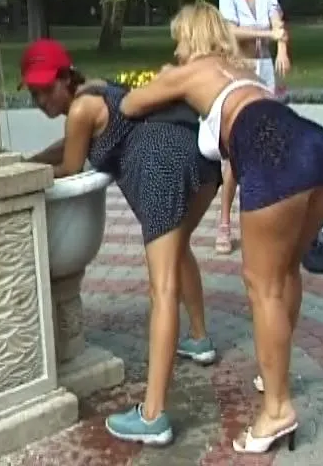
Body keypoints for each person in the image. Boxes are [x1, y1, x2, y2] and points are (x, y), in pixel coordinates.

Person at [119, 2, 323, 454]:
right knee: (285, 271)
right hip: (320, 148)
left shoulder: (189, 72)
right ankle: (275, 378)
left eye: (178, 41)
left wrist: (166, 77)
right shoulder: (246, 74)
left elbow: (128, 104)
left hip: (273, 151)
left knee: (263, 287)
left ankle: (276, 410)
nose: (176, 50)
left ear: (190, 38)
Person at [19, 38, 222, 445]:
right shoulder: (97, 88)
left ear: (66, 78)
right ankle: (199, 339)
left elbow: (71, 165)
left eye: (46, 88)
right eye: (34, 92)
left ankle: (153, 416)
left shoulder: (80, 111)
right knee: (179, 248)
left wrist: (24, 176)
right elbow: (74, 143)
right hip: (198, 158)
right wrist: (34, 158)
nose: (41, 100)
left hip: (159, 169)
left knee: (161, 290)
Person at [214, 0, 291, 254]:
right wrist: (269, 35)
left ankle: (265, 221)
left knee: (266, 145)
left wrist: (282, 48)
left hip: (264, 72)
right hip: (238, 72)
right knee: (236, 150)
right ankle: (224, 222)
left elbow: (279, 26)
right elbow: (233, 32)